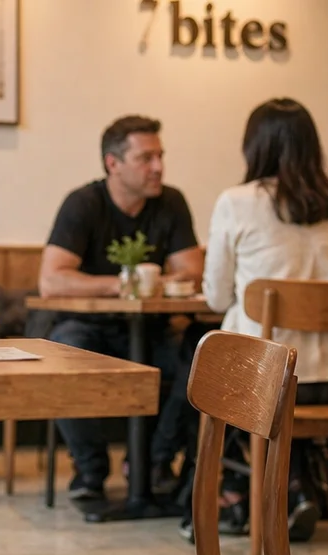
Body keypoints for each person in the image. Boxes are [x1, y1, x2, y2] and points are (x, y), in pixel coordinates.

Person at [200, 97, 328, 543]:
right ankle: (299, 487)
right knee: (285, 382)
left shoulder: (236, 202)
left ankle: (241, 496)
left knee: (216, 367)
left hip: (269, 383)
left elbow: (216, 295)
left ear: (255, 147)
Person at [39, 115, 206, 502]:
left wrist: (158, 284)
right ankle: (90, 469)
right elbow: (52, 280)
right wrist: (126, 283)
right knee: (61, 351)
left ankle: (152, 462)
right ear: (113, 164)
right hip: (89, 326)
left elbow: (192, 274)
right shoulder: (83, 203)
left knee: (202, 354)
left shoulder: (172, 202)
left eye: (160, 156)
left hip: (153, 328)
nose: (158, 167)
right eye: (146, 158)